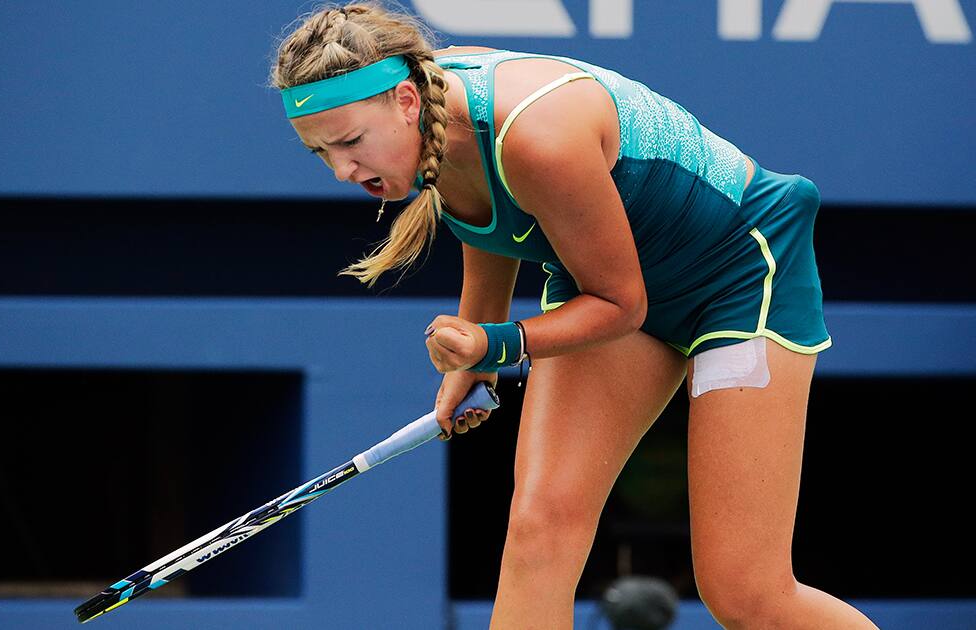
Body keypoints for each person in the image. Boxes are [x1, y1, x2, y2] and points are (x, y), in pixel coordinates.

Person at [271, 3, 878, 628]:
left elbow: (621, 305)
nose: (343, 171)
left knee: (746, 594)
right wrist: (476, 363)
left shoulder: (538, 136)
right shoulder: (429, 112)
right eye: (321, 152)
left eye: (349, 143)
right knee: (539, 532)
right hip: (604, 277)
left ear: (403, 101)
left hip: (739, 275)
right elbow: (490, 218)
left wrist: (494, 344)